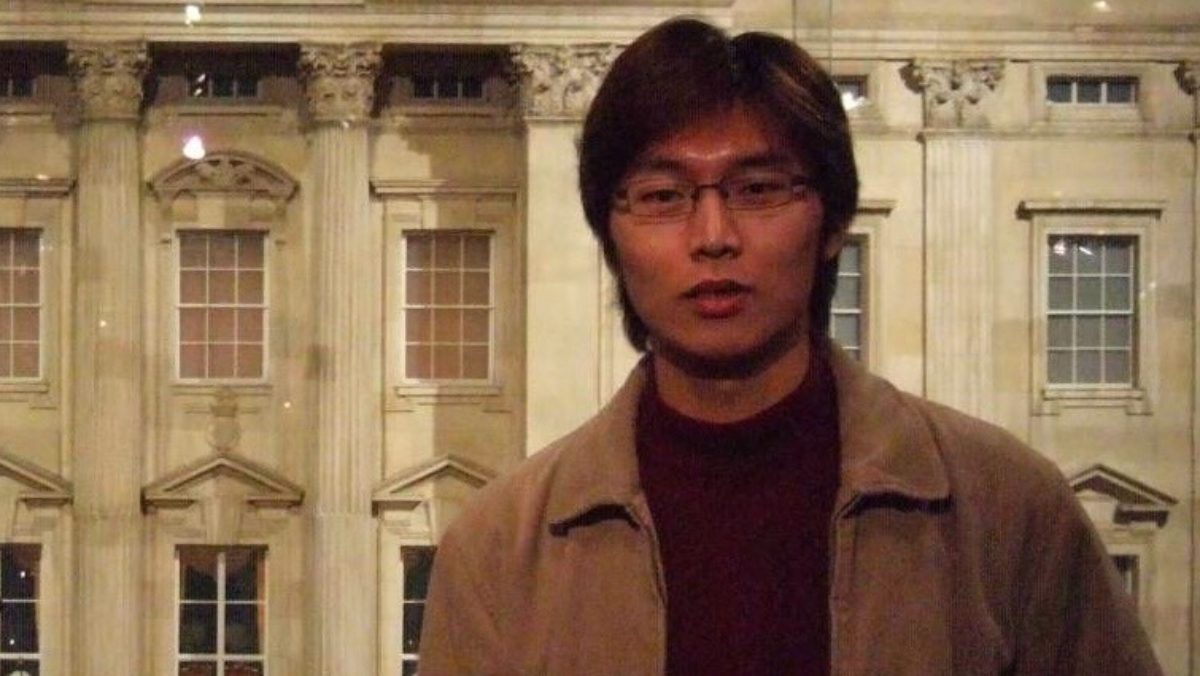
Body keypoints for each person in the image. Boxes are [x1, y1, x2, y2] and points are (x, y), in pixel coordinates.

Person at [418, 17, 1164, 676]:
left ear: (833, 221)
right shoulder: (497, 550)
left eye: (758, 189)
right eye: (663, 196)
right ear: (610, 234)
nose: (713, 237)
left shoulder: (1008, 510)